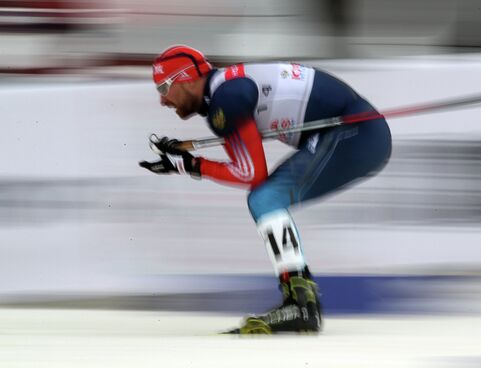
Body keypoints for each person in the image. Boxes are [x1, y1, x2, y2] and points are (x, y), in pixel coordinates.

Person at [139, 45, 392, 334]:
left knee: (266, 197)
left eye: (164, 87)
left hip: (356, 133)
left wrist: (188, 166)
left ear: (186, 79)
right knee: (265, 198)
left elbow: (250, 173)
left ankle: (300, 303)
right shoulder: (223, 94)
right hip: (354, 132)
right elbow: (245, 158)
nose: (162, 100)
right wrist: (186, 162)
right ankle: (300, 300)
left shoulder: (226, 99)